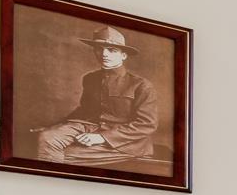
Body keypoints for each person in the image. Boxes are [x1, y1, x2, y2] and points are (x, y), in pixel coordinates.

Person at [35, 26, 160, 164]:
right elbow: (84, 111)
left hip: (125, 142)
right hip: (89, 127)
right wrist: (53, 126)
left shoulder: (141, 85)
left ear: (123, 55)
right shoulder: (90, 78)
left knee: (63, 154)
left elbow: (146, 125)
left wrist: (101, 137)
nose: (104, 54)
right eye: (99, 49)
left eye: (112, 50)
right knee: (46, 137)